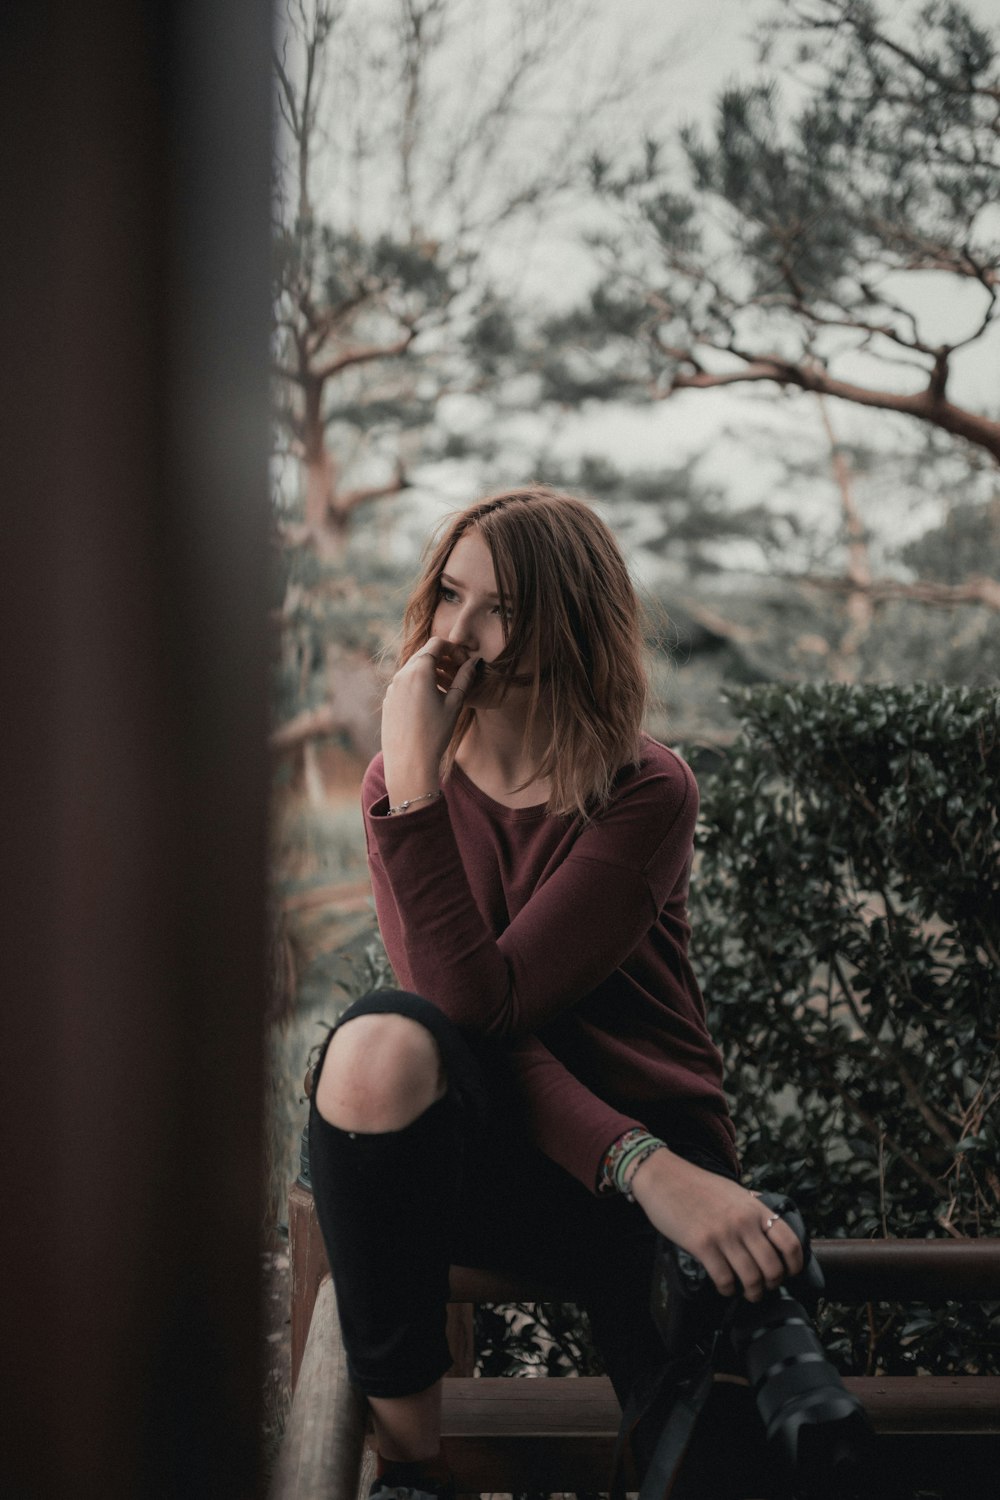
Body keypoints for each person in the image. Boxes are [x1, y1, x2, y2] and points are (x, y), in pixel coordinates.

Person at [307, 485, 803, 1500]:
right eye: (449, 595)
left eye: (503, 610)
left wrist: (647, 1164)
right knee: (376, 1048)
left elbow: (493, 1006)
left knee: (721, 1462)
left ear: (567, 625)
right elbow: (457, 1016)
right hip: (523, 1170)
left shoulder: (644, 789)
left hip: (650, 1185)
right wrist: (413, 780)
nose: (460, 635)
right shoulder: (400, 784)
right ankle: (413, 1470)